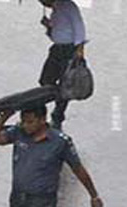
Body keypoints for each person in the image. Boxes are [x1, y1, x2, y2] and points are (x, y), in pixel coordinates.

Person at [38, 0, 86, 129]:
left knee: (66, 85)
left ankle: (58, 116)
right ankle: (52, 103)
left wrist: (79, 49)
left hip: (69, 50)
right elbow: (57, 34)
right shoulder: (56, 9)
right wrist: (48, 26)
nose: (42, 3)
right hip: (56, 49)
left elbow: (79, 27)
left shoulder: (68, 5)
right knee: (45, 80)